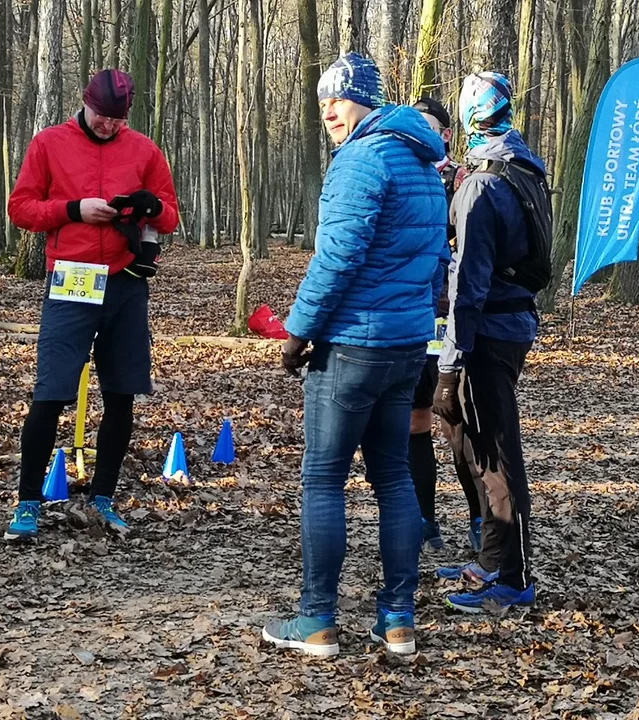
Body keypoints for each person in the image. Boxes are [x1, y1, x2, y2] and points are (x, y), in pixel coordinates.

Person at [261, 53, 450, 658]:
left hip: (353, 347)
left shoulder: (362, 159)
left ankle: (316, 619)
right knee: (394, 477)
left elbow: (337, 256)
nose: (329, 114)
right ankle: (398, 620)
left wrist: (297, 332)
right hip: (405, 347)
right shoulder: (424, 161)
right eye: (322, 105)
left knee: (323, 480)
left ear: (364, 99)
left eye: (337, 101)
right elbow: (434, 261)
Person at [4, 68, 178, 541]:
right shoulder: (49, 144)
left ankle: (103, 497)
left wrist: (151, 206)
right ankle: (27, 504)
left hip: (125, 281)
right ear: (85, 104)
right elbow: (20, 209)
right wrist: (73, 209)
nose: (108, 126)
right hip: (72, 280)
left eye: (117, 120)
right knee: (51, 392)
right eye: (102, 117)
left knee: (121, 393)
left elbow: (171, 215)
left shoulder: (144, 150)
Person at [432, 72, 551, 613]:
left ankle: (514, 577)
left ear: (467, 118)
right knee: (482, 448)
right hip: (512, 323)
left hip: (486, 333)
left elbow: (468, 284)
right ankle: (490, 559)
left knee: (498, 457)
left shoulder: (484, 186)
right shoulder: (522, 165)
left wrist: (451, 365)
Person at [407, 96, 484, 553]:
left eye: (429, 125)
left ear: (446, 134)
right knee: (415, 420)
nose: (421, 132)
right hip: (413, 317)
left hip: (454, 317)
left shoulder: (466, 181)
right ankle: (424, 522)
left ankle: (480, 520)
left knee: (458, 421)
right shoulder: (401, 175)